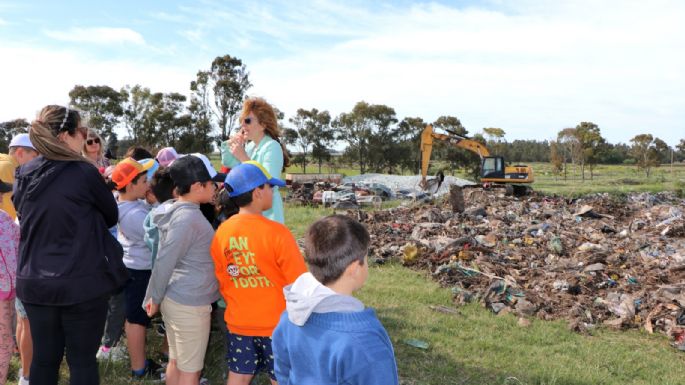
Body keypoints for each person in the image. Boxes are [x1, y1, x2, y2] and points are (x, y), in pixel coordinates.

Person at [13, 105, 121, 385]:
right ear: (65, 136)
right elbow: (111, 213)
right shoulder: (84, 173)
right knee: (82, 361)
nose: (83, 138)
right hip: (82, 281)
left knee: (44, 360)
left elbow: (25, 214)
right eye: (80, 133)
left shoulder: (24, 173)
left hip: (35, 281)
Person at [210, 161, 307, 385]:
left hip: (239, 322)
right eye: (269, 187)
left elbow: (222, 278)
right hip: (277, 326)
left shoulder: (222, 231)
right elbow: (299, 282)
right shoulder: (277, 233)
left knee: (240, 375)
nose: (273, 191)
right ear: (257, 192)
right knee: (281, 377)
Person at [272, 214, 399, 385]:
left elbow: (283, 371)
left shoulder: (288, 318)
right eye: (366, 258)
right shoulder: (365, 343)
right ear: (354, 268)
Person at [144, 155, 222, 385]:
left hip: (179, 297)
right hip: (189, 302)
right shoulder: (188, 218)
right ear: (198, 187)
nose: (216, 187)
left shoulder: (181, 210)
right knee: (191, 371)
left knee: (177, 362)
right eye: (211, 183)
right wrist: (154, 297)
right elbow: (165, 259)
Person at [109, 158, 161, 378]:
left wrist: (149, 203)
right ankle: (139, 368)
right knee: (137, 320)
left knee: (135, 317)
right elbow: (158, 232)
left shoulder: (127, 205)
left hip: (133, 267)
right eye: (142, 180)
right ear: (129, 186)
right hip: (139, 271)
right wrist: (157, 204)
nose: (147, 183)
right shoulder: (134, 215)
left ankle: (139, 363)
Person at [221, 97, 290, 224]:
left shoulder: (272, 147)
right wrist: (230, 144)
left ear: (263, 124)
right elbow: (228, 162)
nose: (243, 125)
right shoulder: (251, 146)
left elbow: (269, 181)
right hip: (251, 212)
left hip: (268, 215)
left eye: (247, 121)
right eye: (241, 121)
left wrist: (243, 158)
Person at [0, 179, 20, 385]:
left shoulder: (5, 219)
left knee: (5, 339)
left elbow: (17, 242)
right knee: (4, 341)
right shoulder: (5, 219)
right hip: (5, 291)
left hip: (7, 291)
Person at [0, 133, 39, 219]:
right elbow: (10, 215)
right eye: (34, 157)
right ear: (20, 153)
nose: (37, 162)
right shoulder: (8, 168)